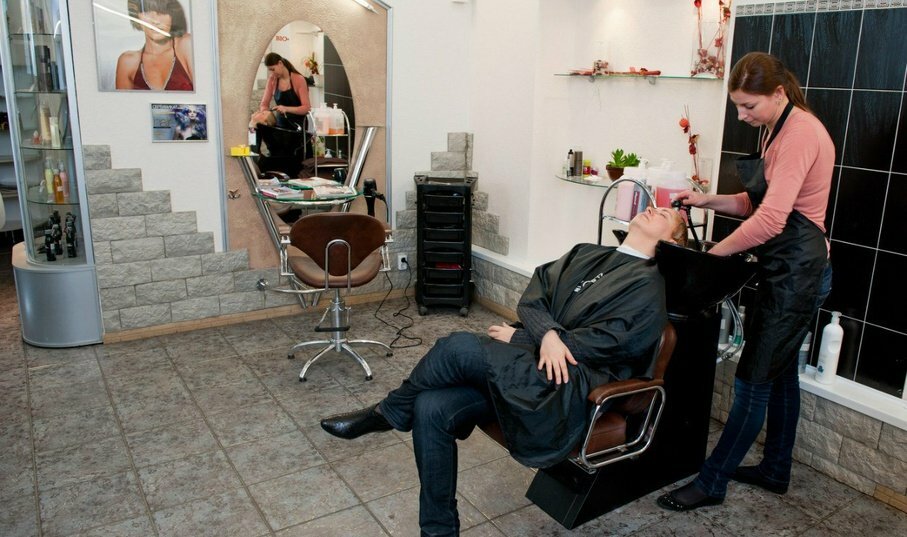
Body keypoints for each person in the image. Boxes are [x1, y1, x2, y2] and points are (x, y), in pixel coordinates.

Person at [321, 207, 688, 536]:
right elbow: (533, 298)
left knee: (456, 347)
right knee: (431, 407)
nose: (653, 207)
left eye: (665, 214)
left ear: (671, 242)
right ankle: (438, 531)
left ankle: (387, 413)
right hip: (531, 366)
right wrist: (546, 335)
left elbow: (607, 345)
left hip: (564, 384)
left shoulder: (648, 287)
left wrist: (524, 337)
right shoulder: (586, 252)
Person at [657, 52, 834, 512]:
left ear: (778, 93)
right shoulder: (776, 127)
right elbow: (755, 203)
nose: (741, 115)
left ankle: (712, 482)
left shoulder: (801, 134)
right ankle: (775, 469)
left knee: (754, 381)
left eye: (748, 106)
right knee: (781, 375)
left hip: (799, 273)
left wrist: (712, 257)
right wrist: (706, 200)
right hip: (784, 267)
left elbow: (773, 220)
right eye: (737, 105)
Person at [115, 0, 194, 91]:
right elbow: (122, 100)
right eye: (147, 12)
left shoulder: (186, 45)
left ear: (172, 15)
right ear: (137, 16)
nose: (155, 21)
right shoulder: (128, 62)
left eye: (162, 11)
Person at [256, 53, 312, 131]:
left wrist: (286, 109)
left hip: (299, 127)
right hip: (280, 126)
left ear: (280, 63)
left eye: (273, 69)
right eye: (270, 70)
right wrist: (264, 114)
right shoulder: (272, 80)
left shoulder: (299, 79)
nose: (272, 73)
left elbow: (306, 108)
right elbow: (264, 104)